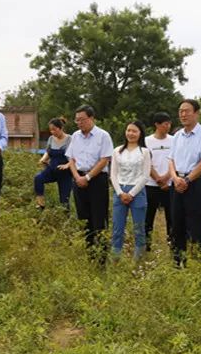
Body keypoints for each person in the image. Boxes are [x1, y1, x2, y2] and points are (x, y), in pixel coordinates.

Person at [167, 99, 201, 267]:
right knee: (177, 224)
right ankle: (178, 263)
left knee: (196, 225)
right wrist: (174, 178)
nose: (183, 114)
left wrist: (187, 179)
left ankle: (200, 264)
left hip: (194, 183)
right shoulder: (177, 135)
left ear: (196, 113)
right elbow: (171, 160)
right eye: (181, 111)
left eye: (187, 111)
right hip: (177, 183)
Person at [66, 105, 114, 262]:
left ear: (92, 118)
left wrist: (87, 178)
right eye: (77, 120)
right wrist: (77, 177)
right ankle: (90, 255)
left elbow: (105, 159)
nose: (79, 123)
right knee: (84, 218)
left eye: (82, 119)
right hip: (78, 179)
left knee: (99, 218)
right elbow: (71, 159)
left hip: (96, 180)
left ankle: (101, 257)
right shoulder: (75, 136)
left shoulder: (103, 136)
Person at [110, 120, 152, 260]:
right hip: (119, 191)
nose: (131, 133)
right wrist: (120, 193)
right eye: (128, 130)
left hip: (138, 192)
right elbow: (113, 174)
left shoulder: (145, 152)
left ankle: (138, 260)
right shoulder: (117, 150)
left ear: (140, 134)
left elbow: (146, 176)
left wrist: (131, 193)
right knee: (117, 227)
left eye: (134, 131)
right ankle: (116, 258)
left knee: (139, 228)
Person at [145, 112, 174, 250]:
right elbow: (146, 162)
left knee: (172, 217)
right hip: (151, 184)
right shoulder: (147, 141)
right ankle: (146, 245)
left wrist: (167, 177)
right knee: (148, 217)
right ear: (157, 124)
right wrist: (157, 178)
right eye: (165, 124)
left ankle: (172, 244)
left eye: (169, 123)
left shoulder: (174, 140)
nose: (168, 126)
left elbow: (175, 160)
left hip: (170, 184)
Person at [33, 118, 72, 210]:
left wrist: (67, 165)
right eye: (51, 130)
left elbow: (73, 156)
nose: (52, 132)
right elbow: (48, 152)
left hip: (64, 173)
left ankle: (66, 219)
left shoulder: (69, 139)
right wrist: (42, 160)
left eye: (54, 129)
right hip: (52, 169)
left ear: (61, 128)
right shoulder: (51, 139)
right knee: (38, 178)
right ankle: (40, 204)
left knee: (64, 200)